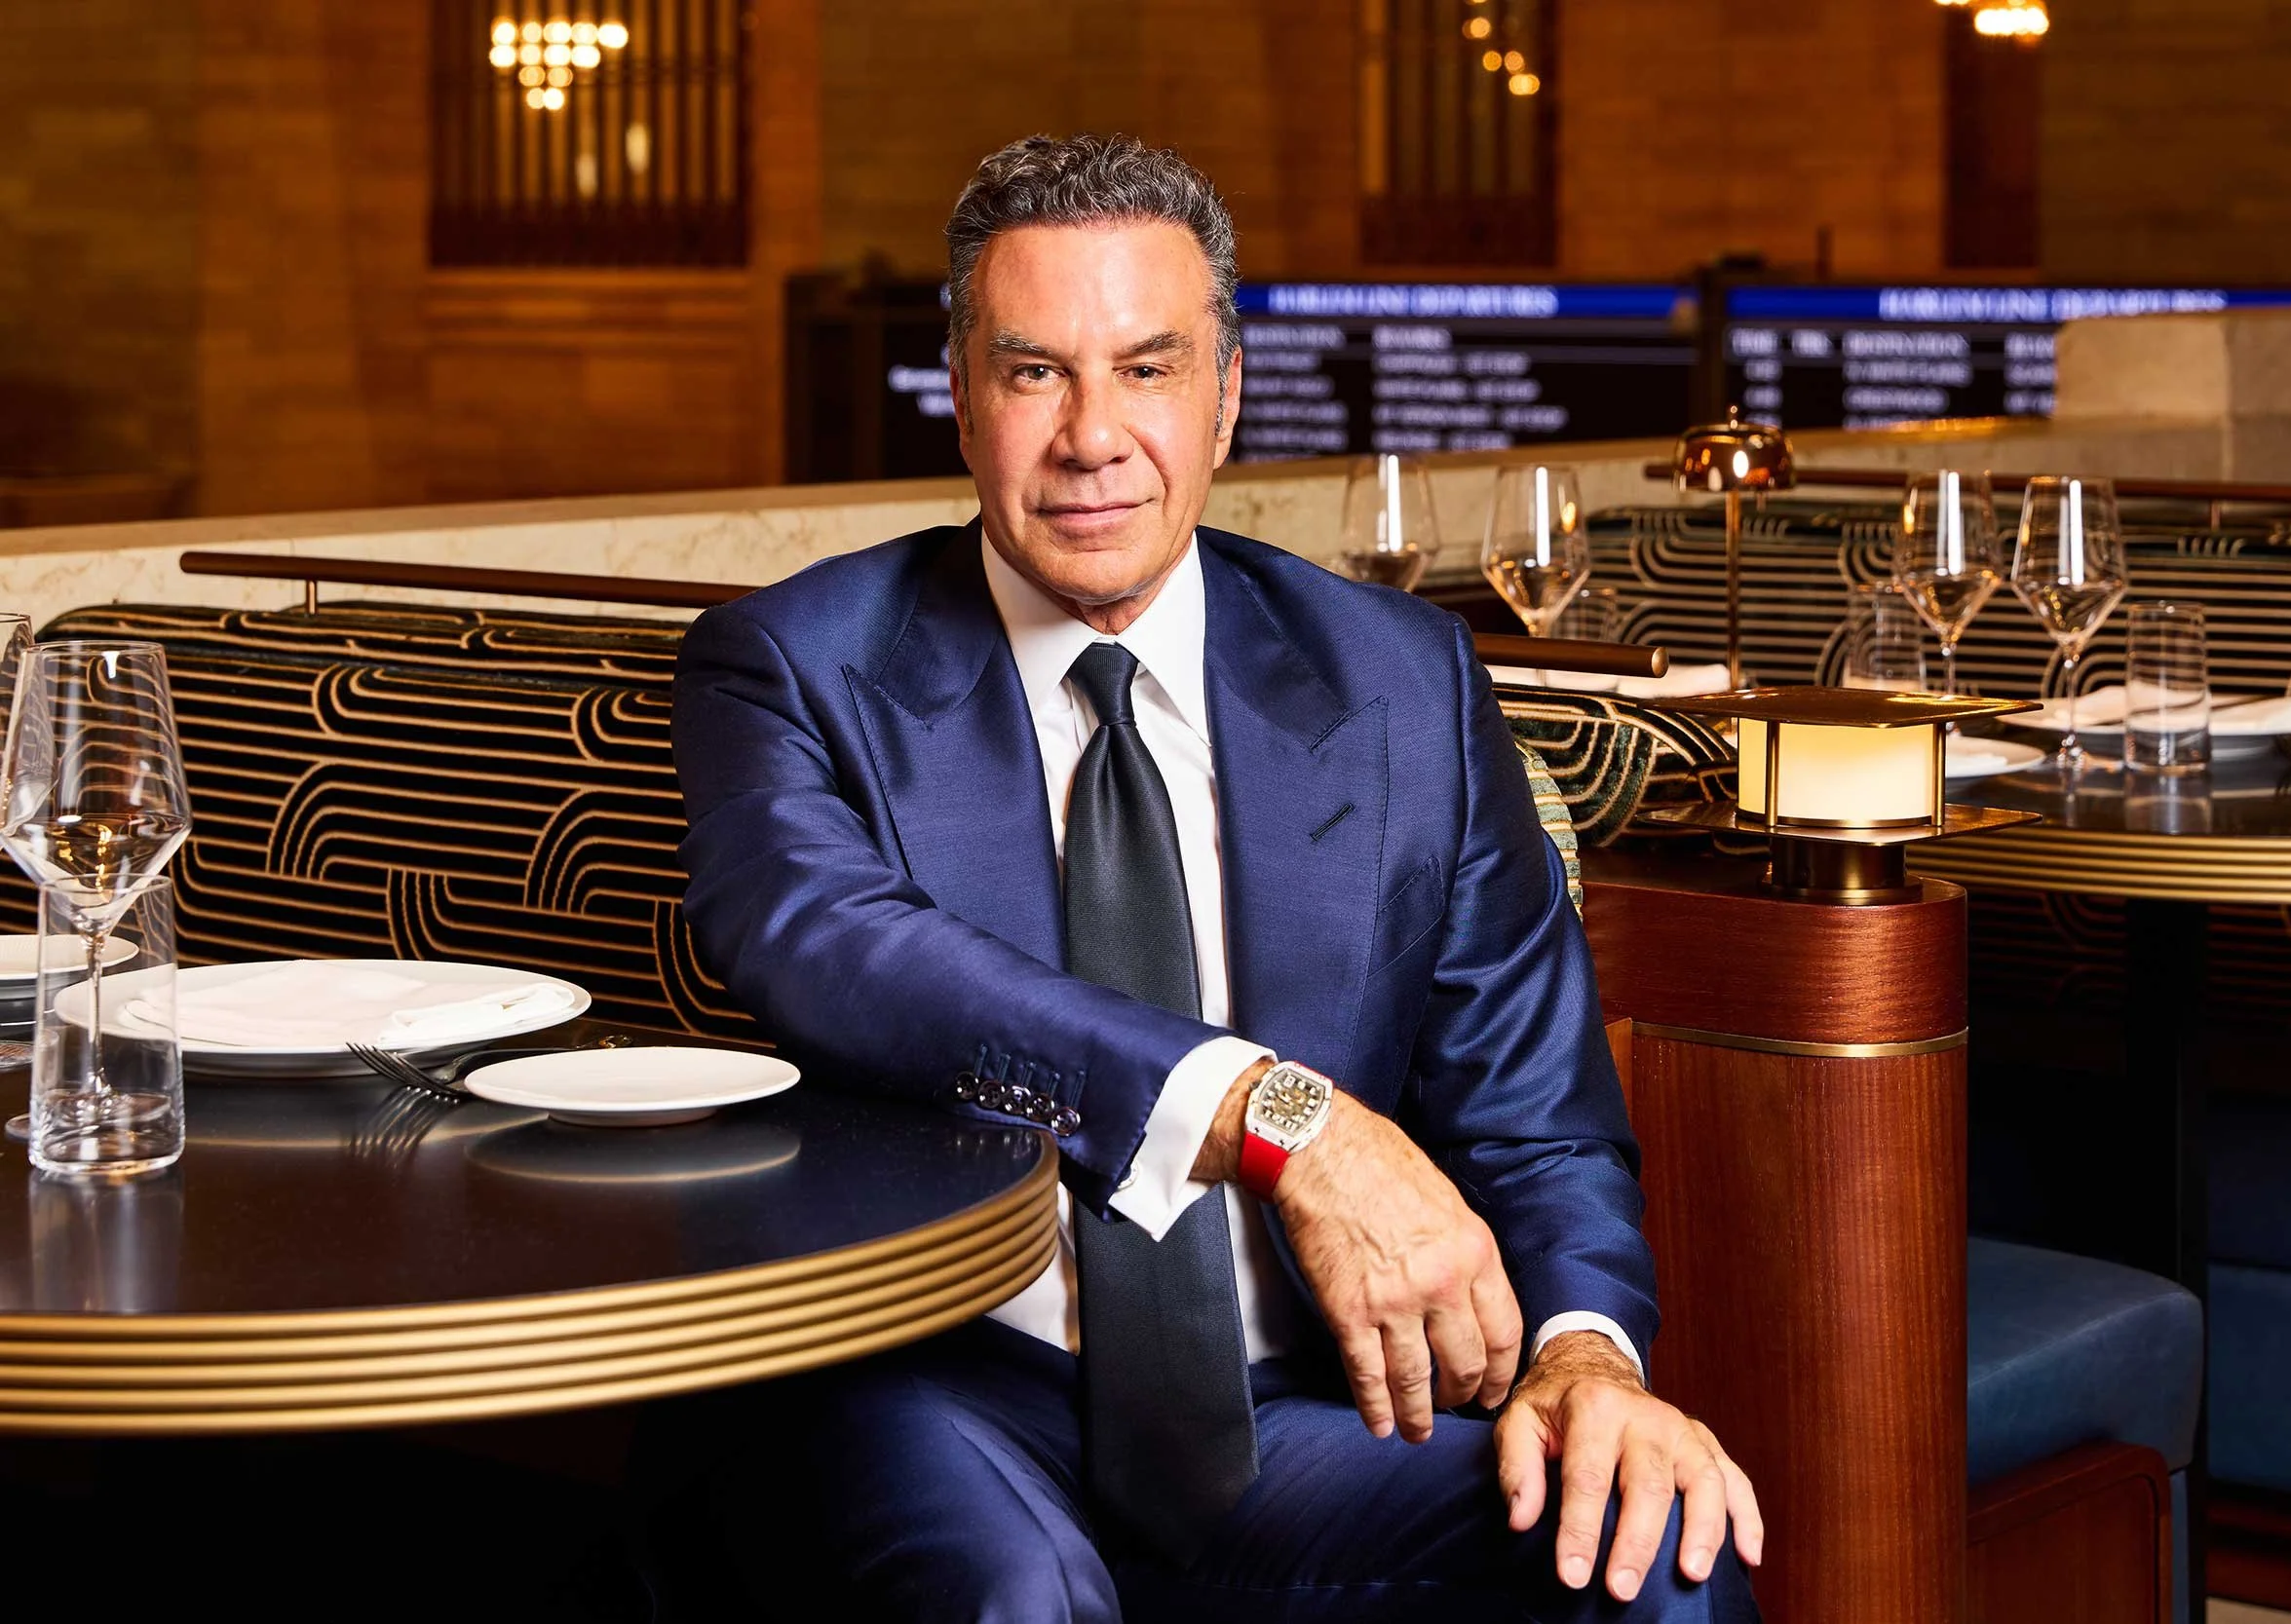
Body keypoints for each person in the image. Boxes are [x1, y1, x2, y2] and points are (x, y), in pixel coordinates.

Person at [672, 133, 1761, 1623]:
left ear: (1229, 390)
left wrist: (1584, 1357)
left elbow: (1541, 1122)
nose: (1092, 435)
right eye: (1037, 371)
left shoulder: (1403, 681)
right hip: (951, 1388)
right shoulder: (793, 666)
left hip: (1299, 1417)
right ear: (963, 395)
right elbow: (833, 945)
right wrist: (1275, 1114)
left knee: (1654, 1553)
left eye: (1147, 367)